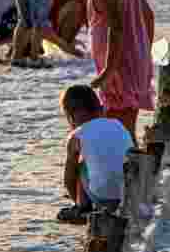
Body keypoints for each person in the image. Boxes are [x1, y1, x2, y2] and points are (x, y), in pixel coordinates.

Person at [54, 0, 155, 145]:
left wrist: (108, 72)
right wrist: (143, 51)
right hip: (133, 61)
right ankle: (130, 171)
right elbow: (148, 15)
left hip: (119, 68)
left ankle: (130, 174)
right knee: (123, 125)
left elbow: (116, 30)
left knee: (120, 130)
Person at [57, 84, 134, 225]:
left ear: (71, 114)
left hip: (104, 197)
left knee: (79, 165)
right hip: (130, 194)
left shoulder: (77, 135)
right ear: (99, 107)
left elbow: (68, 179)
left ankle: (82, 207)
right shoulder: (118, 124)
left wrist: (76, 200)